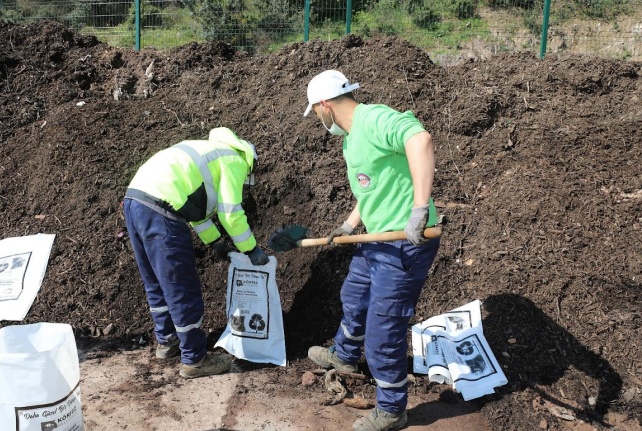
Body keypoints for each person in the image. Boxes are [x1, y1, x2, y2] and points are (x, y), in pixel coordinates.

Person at [303, 70, 441, 431]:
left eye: (316, 113)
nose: (319, 120)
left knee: (384, 328)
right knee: (354, 295)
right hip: (376, 239)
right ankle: (345, 356)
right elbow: (372, 190)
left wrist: (419, 209)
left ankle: (393, 409)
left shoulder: (374, 119)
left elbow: (420, 140)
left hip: (404, 243)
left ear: (324, 106)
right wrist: (349, 225)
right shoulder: (351, 139)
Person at [123, 127, 269, 379]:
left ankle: (167, 341)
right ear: (251, 161)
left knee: (155, 280)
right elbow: (231, 212)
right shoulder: (235, 160)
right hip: (161, 208)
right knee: (180, 284)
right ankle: (194, 360)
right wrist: (251, 248)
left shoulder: (206, 150)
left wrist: (214, 241)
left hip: (135, 200)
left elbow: (195, 210)